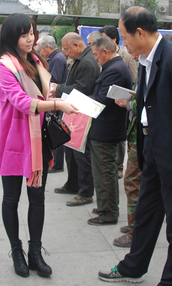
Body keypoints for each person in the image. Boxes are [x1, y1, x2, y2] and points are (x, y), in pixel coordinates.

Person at [98, 6, 172, 286]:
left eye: (124, 37)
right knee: (146, 214)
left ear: (140, 32)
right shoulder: (145, 61)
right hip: (152, 149)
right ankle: (133, 267)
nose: (123, 43)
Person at [0, 14, 78, 278]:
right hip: (14, 140)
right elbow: (22, 102)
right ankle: (16, 251)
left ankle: (35, 252)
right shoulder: (5, 66)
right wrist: (57, 104)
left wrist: (59, 95)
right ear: (11, 37)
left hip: (38, 139)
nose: (30, 39)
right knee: (11, 198)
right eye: (24, 34)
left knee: (37, 198)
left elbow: (45, 90)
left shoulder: (36, 61)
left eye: (32, 33)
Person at [50, 32, 100, 206]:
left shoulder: (87, 62)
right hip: (74, 111)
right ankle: (72, 184)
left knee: (81, 154)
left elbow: (81, 88)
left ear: (76, 45)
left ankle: (85, 192)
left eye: (66, 49)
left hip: (83, 112)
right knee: (70, 151)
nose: (65, 52)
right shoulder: (81, 59)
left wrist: (58, 89)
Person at [87, 36, 132, 225]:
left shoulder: (115, 70)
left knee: (105, 173)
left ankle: (108, 213)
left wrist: (76, 100)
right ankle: (105, 205)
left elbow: (101, 101)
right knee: (103, 172)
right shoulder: (113, 67)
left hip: (106, 129)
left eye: (96, 54)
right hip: (104, 128)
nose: (95, 58)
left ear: (105, 51)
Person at [99, 25, 139, 179]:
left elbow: (134, 79)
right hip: (112, 101)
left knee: (120, 139)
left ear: (113, 39)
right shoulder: (102, 56)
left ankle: (119, 166)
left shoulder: (127, 55)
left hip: (125, 103)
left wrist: (129, 97)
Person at [113, 46, 140, 248]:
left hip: (144, 135)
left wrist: (130, 103)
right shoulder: (144, 65)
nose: (131, 54)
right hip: (136, 131)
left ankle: (135, 231)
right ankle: (136, 225)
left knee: (132, 181)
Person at [36, 35, 68, 173]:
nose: (41, 53)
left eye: (41, 49)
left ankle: (57, 163)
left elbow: (54, 79)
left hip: (57, 98)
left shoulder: (57, 58)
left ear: (48, 47)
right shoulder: (55, 57)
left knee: (55, 130)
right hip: (55, 98)